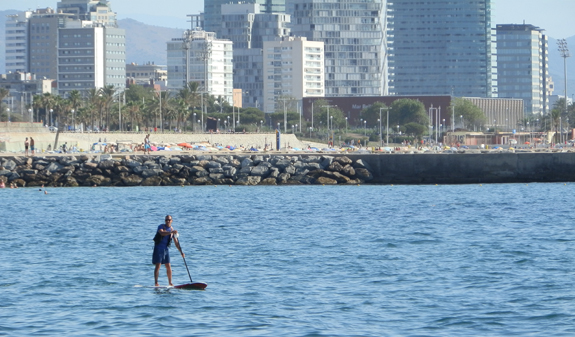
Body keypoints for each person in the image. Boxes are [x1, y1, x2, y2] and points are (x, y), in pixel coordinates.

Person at [153, 215, 184, 286]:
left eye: (169, 220)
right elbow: (161, 233)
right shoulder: (161, 226)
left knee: (168, 266)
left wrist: (181, 252)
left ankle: (170, 282)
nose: (167, 221)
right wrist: (171, 232)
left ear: (171, 221)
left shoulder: (172, 229)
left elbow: (176, 242)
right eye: (166, 220)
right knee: (158, 265)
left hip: (166, 249)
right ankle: (156, 283)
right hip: (158, 248)